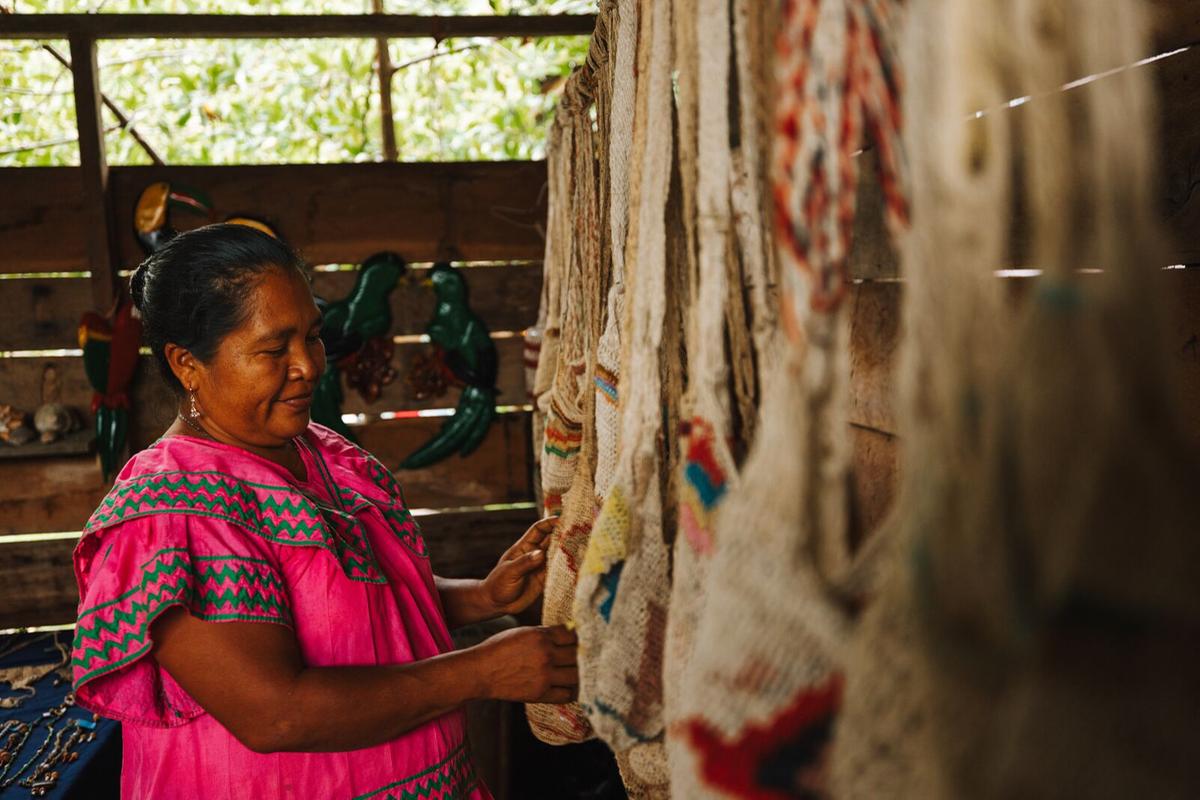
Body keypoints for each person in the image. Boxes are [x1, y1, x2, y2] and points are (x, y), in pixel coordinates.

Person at [70, 224, 578, 799]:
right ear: (187, 364)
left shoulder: (320, 453)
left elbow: (350, 606)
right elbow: (275, 714)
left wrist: (481, 596)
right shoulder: (172, 510)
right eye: (272, 349)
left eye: (312, 337)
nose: (308, 366)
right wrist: (478, 672)